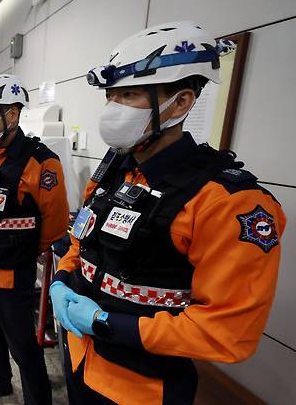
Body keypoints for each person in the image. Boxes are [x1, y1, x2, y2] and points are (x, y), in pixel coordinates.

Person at [49, 22, 286, 405]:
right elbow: (83, 236)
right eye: (111, 97)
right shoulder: (115, 169)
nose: (113, 109)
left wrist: (107, 323)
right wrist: (61, 279)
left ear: (181, 102)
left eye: (129, 95)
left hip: (143, 390)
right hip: (79, 360)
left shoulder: (227, 201)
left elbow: (228, 332)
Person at [0, 74, 69, 405]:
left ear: (13, 114)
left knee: (22, 343)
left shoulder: (41, 162)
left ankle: (38, 399)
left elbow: (56, 222)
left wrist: (21, 249)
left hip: (10, 271)